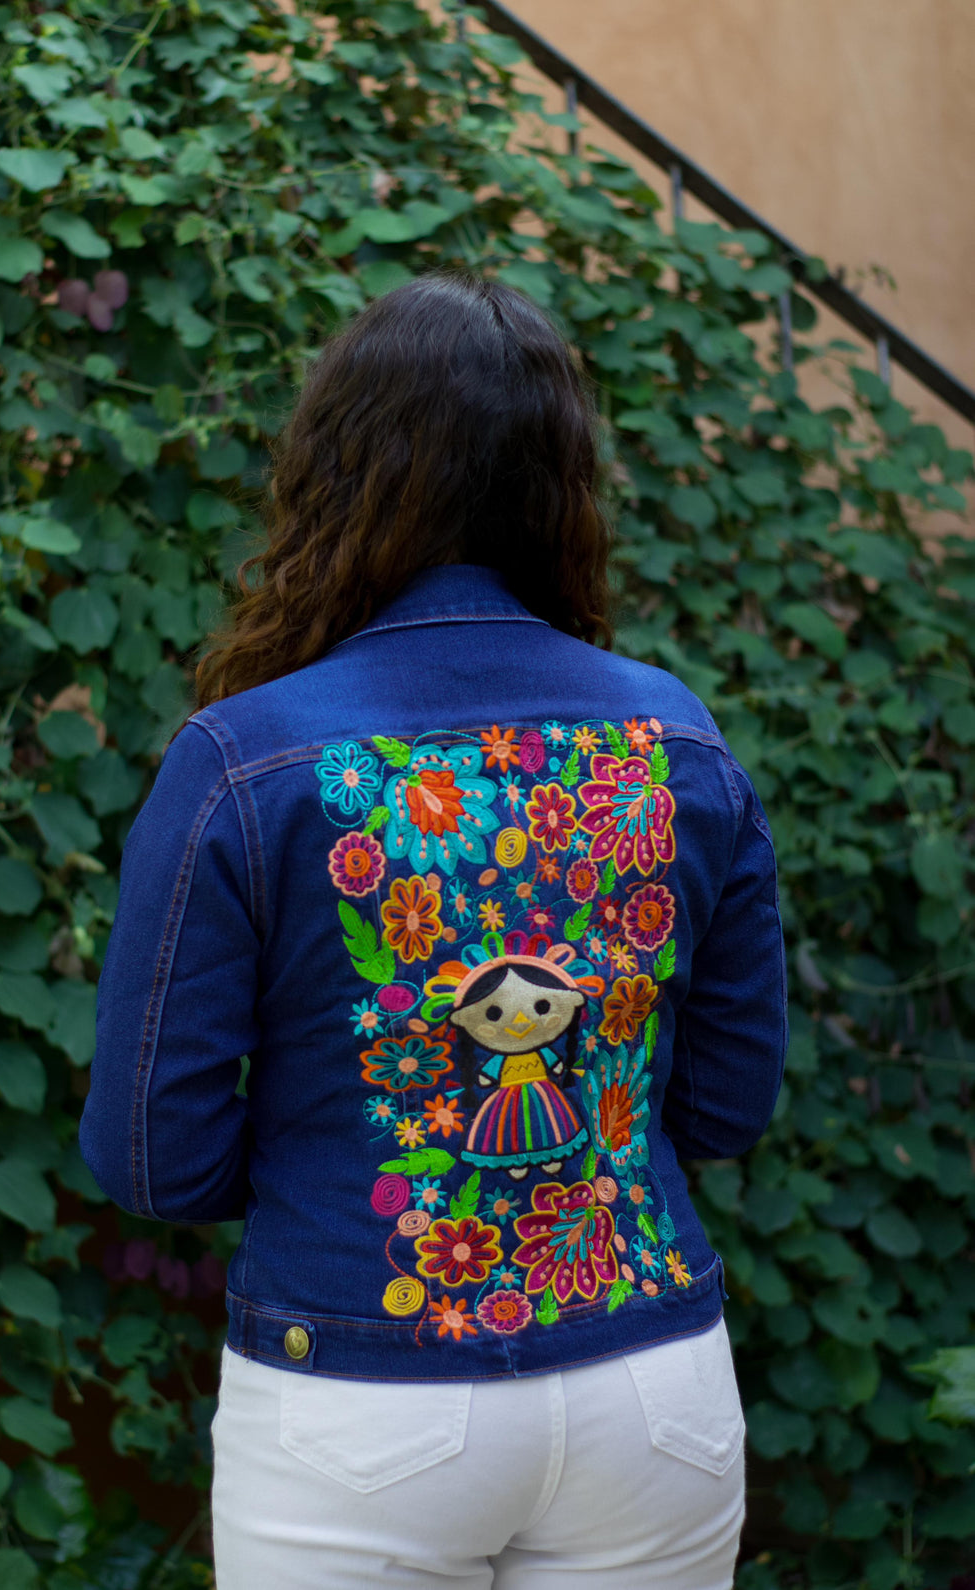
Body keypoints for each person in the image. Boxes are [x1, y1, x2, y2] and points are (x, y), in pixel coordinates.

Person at [81, 272, 787, 1589]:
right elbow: (731, 1105)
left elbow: (149, 1154)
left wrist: (348, 1168)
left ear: (336, 473)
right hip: (653, 1387)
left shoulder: (243, 759)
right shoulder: (676, 740)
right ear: (562, 486)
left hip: (363, 1387)